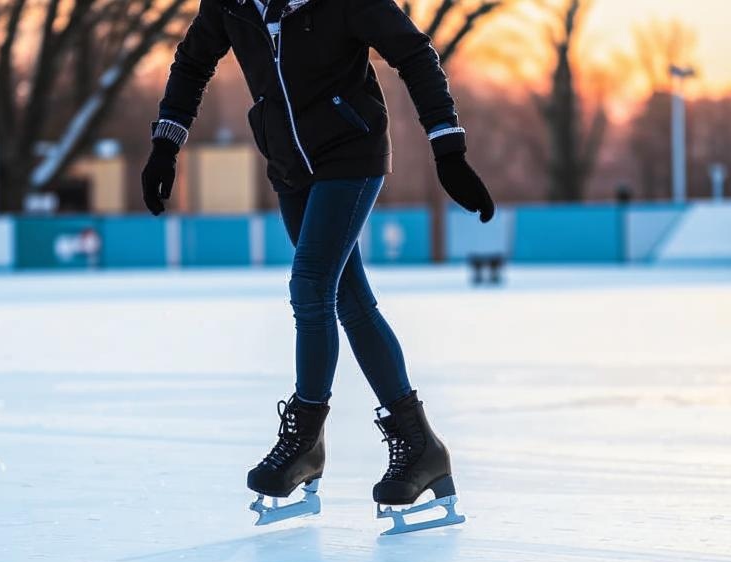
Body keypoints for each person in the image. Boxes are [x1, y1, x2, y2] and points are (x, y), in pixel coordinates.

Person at [141, 0, 494, 534]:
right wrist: (167, 145)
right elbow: (192, 63)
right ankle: (421, 446)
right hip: (290, 166)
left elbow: (414, 54)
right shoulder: (232, 5)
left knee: (310, 286)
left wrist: (448, 147)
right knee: (348, 301)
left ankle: (304, 438)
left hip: (352, 156)